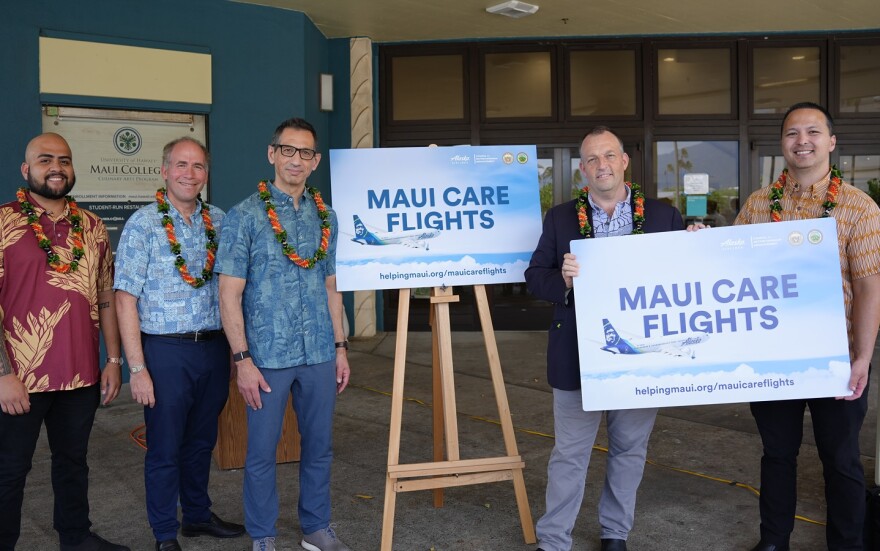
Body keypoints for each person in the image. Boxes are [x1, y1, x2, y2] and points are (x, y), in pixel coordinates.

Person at [525, 126, 684, 551]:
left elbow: (684, 276)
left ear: (624, 161)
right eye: (593, 159)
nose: (602, 166)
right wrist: (563, 279)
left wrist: (700, 247)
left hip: (640, 356)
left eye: (609, 156)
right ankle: (554, 539)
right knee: (569, 455)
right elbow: (533, 277)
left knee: (630, 449)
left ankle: (615, 534)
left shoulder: (663, 216)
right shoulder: (560, 217)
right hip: (578, 354)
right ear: (582, 170)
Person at [735, 102, 880, 551]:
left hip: (836, 357)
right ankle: (774, 541)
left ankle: (847, 544)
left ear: (831, 142)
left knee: (840, 459)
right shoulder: (759, 205)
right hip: (773, 355)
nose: (803, 140)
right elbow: (731, 267)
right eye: (793, 133)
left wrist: (863, 358)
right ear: (782, 144)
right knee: (777, 454)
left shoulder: (858, 207)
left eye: (813, 132)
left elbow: (869, 288)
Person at [216, 117, 351, 551]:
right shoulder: (245, 215)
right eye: (288, 150)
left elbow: (332, 288)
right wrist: (242, 360)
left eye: (306, 153)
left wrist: (340, 347)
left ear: (314, 162)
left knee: (320, 447)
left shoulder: (326, 217)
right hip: (266, 357)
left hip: (318, 352)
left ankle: (315, 527)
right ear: (272, 154)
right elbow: (228, 294)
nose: (296, 159)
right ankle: (263, 535)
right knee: (260, 454)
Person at [114, 137, 245, 551]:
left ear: (207, 173)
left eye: (199, 166)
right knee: (165, 448)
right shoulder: (143, 224)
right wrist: (137, 369)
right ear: (165, 171)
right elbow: (124, 299)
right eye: (182, 165)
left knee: (202, 441)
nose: (191, 174)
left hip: (212, 347)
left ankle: (198, 517)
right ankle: (165, 533)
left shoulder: (220, 221)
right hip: (166, 352)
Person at [0, 132, 129, 551]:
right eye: (45, 160)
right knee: (9, 470)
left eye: (64, 160)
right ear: (26, 170)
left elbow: (106, 296)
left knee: (73, 463)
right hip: (19, 378)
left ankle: (75, 537)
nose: (56, 167)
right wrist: (2, 374)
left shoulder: (91, 227)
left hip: (80, 375)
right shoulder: (3, 222)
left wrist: (112, 360)